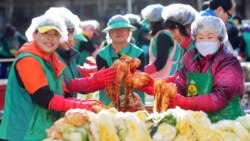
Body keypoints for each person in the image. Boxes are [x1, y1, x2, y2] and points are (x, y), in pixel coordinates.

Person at [0, 14, 104, 140]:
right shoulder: (28, 59)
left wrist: (84, 102)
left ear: (60, 38)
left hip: (40, 132)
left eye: (55, 34)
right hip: (22, 134)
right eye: (45, 33)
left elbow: (64, 93)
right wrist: (81, 106)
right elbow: (44, 98)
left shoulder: (51, 60)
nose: (50, 38)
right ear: (34, 35)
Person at [141, 16, 246, 123]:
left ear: (220, 38)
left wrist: (183, 102)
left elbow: (218, 98)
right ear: (194, 39)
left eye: (210, 37)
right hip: (198, 121)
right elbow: (181, 84)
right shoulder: (192, 57)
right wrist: (156, 87)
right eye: (200, 38)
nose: (205, 41)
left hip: (226, 123)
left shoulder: (229, 62)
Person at [43, 7, 115, 97]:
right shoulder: (46, 58)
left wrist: (103, 79)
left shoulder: (69, 56)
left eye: (72, 35)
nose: (70, 39)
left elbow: (80, 84)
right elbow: (67, 85)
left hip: (65, 110)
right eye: (65, 35)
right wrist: (96, 79)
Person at [96, 14, 146, 106]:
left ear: (129, 32)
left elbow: (140, 79)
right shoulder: (101, 55)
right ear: (109, 33)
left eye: (123, 28)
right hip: (109, 103)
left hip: (134, 102)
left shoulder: (139, 53)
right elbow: (106, 80)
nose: (119, 31)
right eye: (114, 29)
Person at [141, 4, 182, 79]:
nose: (149, 24)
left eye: (150, 22)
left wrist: (142, 71)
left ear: (153, 22)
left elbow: (160, 63)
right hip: (164, 78)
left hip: (164, 79)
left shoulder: (163, 36)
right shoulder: (166, 34)